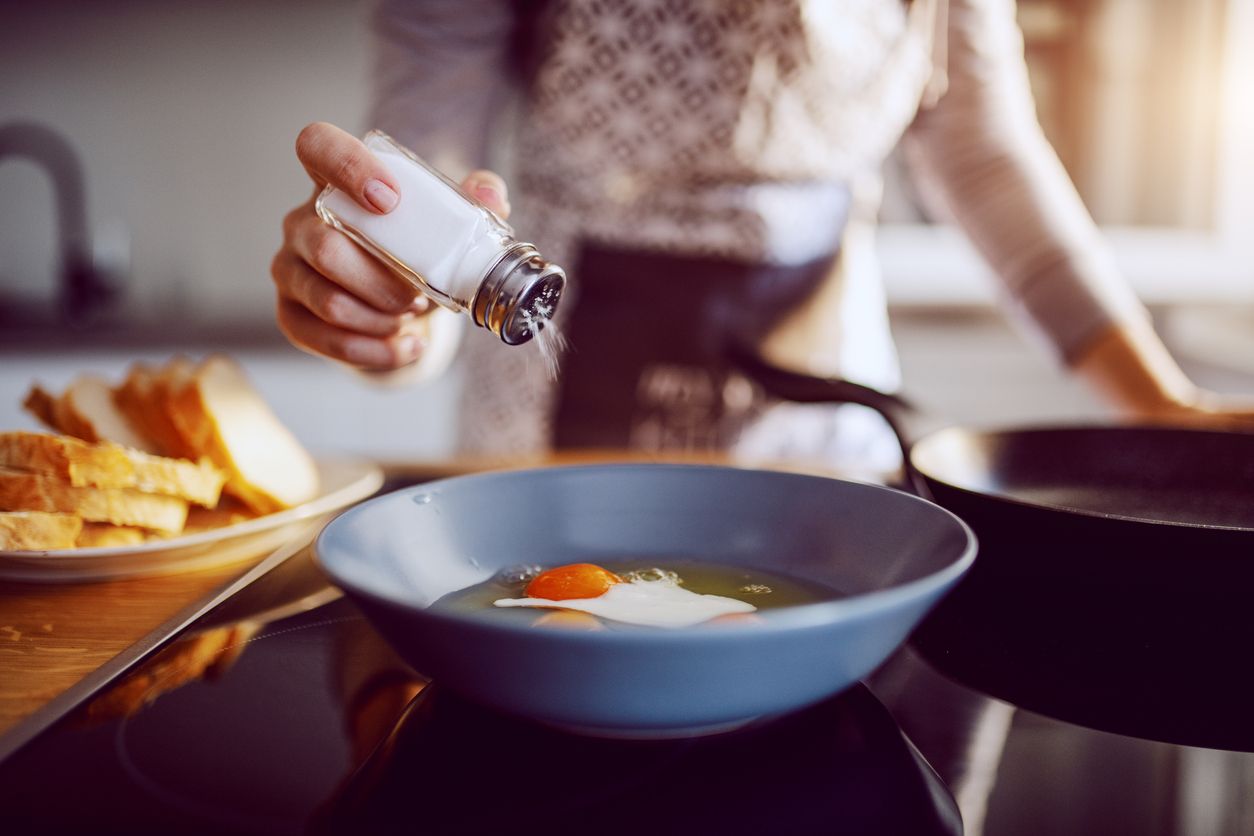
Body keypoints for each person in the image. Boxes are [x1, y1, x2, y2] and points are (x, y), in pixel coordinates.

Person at [272, 4, 1250, 825]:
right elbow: (429, 160)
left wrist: (1155, 400)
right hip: (545, 424)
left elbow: (983, 146)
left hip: (825, 462)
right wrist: (393, 311)